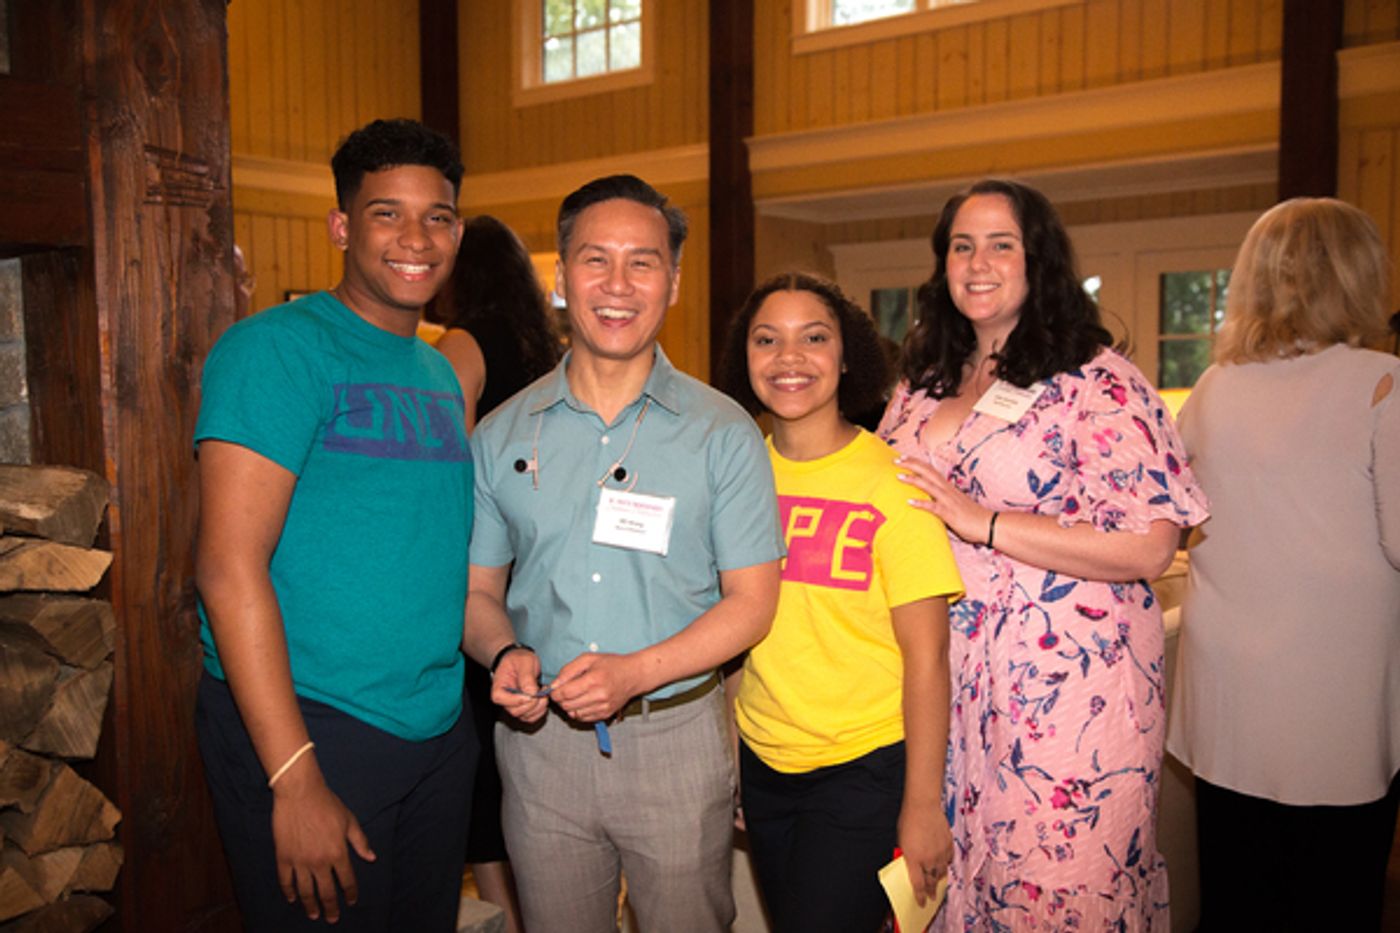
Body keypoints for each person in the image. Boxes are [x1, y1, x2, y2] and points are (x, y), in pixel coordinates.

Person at [878, 178, 1208, 931]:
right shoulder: (920, 385)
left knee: (1061, 887)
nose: (979, 261)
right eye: (962, 245)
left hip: (1069, 689)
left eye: (1002, 244)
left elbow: (1151, 544)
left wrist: (983, 521)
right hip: (944, 681)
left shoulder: (1097, 380)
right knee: (948, 880)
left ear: (1039, 262)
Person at [461, 174, 784, 933]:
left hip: (674, 737)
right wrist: (502, 649)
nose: (617, 284)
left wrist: (634, 674)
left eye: (642, 262)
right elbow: (477, 592)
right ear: (561, 276)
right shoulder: (503, 433)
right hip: (538, 748)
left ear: (672, 281)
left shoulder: (722, 431)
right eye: (594, 259)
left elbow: (753, 603)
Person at [194, 118, 475, 931]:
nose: (417, 237)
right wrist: (294, 775)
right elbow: (226, 567)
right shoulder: (276, 350)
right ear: (342, 226)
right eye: (387, 213)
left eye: (439, 216)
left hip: (433, 729)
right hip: (312, 724)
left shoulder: (432, 369)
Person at [1166, 198, 1400, 933]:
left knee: (1240, 895)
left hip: (1231, 691)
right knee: (1334, 897)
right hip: (1335, 700)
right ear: (1360, 274)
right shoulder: (1382, 381)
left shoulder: (1212, 387)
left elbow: (1176, 516)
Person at [716, 272, 964, 932]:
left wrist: (922, 802)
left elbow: (929, 655)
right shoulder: (735, 476)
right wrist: (737, 753)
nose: (788, 358)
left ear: (847, 354)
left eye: (814, 338)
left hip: (863, 767)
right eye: (767, 339)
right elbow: (734, 633)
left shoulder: (893, 483)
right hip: (766, 761)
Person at [431, 214, 562, 933]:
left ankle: (505, 919)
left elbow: (442, 454)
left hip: (481, 559)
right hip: (534, 559)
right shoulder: (543, 346)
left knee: (485, 759)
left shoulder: (463, 342)